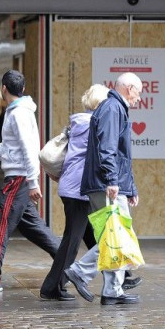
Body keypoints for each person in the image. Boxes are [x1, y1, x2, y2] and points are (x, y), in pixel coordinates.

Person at [0, 70, 60, 293]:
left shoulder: (18, 114)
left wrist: (33, 182)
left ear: (4, 88)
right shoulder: (16, 111)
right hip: (20, 178)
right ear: (22, 89)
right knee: (34, 228)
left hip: (17, 179)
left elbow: (29, 148)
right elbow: (7, 146)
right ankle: (70, 265)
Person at [64, 72, 144, 306]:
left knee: (115, 236)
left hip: (111, 184)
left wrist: (130, 188)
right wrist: (112, 181)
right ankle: (80, 271)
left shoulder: (115, 108)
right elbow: (108, 149)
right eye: (138, 92)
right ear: (129, 88)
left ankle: (113, 291)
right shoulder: (112, 108)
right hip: (105, 185)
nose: (139, 98)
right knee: (118, 237)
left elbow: (121, 156)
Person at [39, 84, 110, 301]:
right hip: (79, 189)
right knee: (72, 240)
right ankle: (52, 287)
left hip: (74, 187)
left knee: (92, 235)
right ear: (101, 104)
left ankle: (121, 275)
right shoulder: (93, 125)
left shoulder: (80, 123)